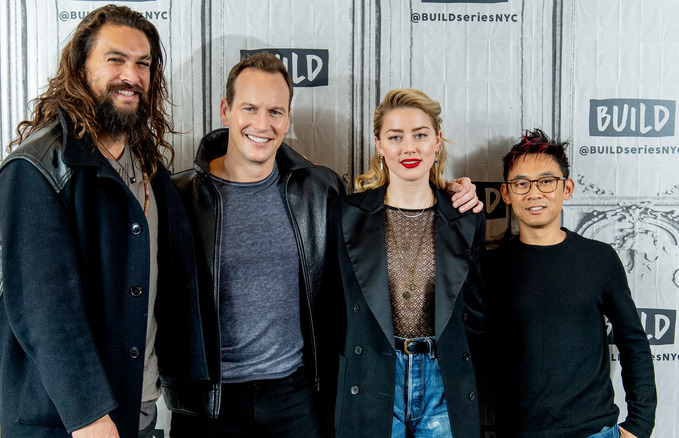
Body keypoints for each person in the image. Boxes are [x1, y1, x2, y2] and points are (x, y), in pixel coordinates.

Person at [165, 54, 483, 437]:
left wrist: (455, 191)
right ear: (225, 110)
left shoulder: (319, 191)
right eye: (249, 108)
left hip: (296, 396)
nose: (262, 124)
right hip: (208, 403)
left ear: (288, 117)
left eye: (275, 111)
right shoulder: (178, 196)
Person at [0, 5, 207, 437]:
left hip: (137, 407)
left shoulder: (147, 165)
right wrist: (89, 417)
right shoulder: (37, 169)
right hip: (73, 423)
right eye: (116, 60)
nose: (132, 75)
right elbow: (45, 311)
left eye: (143, 64)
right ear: (80, 67)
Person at [327, 89, 485, 437]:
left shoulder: (466, 216)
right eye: (395, 137)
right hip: (372, 376)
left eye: (420, 135)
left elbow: (475, 311)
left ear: (438, 141)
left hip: (444, 381)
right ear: (379, 145)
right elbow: (332, 309)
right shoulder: (345, 214)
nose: (409, 147)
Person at [482, 129, 656, 437]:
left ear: (567, 188)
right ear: (506, 193)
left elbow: (634, 345)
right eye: (521, 183)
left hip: (595, 431)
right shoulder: (491, 267)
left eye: (546, 181)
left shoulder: (600, 259)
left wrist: (639, 426)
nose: (534, 193)